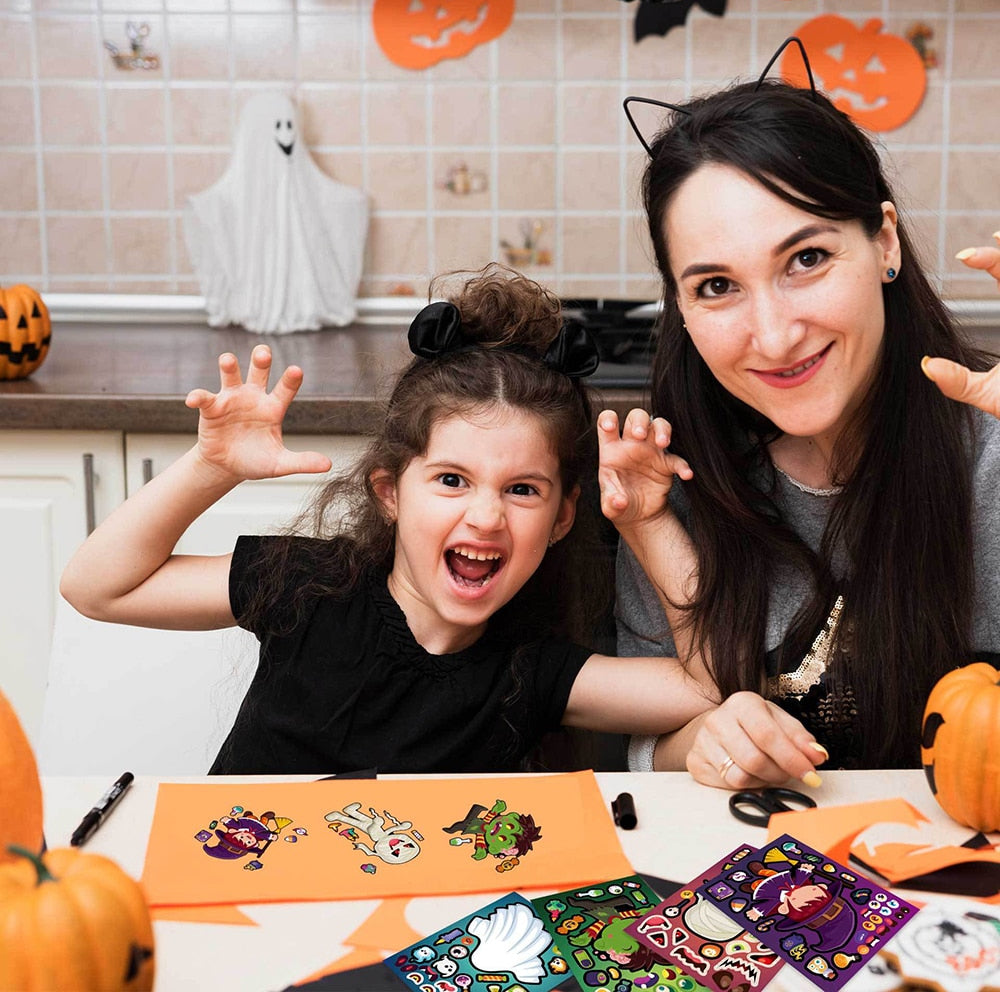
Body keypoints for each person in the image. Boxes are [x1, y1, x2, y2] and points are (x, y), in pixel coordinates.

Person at [60, 265, 715, 776]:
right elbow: (96, 587)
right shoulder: (308, 582)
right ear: (390, 492)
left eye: (521, 489)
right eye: (451, 480)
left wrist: (648, 520)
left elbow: (705, 688)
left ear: (563, 518)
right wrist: (211, 466)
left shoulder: (532, 670)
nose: (485, 516)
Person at [598, 75, 1000, 788]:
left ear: (883, 242)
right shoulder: (670, 480)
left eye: (806, 259)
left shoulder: (990, 452)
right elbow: (652, 749)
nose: (776, 336)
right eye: (717, 286)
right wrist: (705, 742)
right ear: (681, 308)